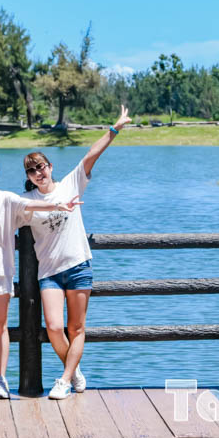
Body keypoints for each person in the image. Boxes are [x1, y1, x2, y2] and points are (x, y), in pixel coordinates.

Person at [20, 105, 132, 399]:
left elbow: (91, 155)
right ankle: (74, 370)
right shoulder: (26, 201)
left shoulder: (71, 183)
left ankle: (65, 380)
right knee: (55, 328)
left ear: (50, 167)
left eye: (40, 167)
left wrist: (115, 127)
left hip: (78, 265)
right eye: (31, 171)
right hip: (50, 273)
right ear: (29, 177)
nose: (37, 173)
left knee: (77, 327)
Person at [0, 151, 82, 400]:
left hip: (0, 269)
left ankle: (1, 379)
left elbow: (31, 205)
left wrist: (57, 205)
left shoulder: (6, 199)